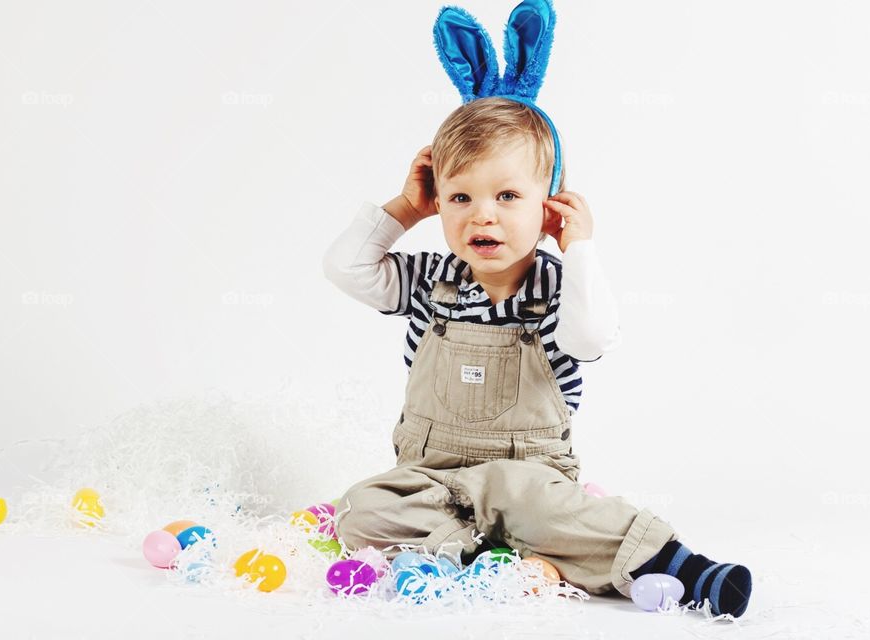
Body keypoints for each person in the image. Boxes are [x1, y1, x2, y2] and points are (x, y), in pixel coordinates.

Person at [321, 96, 752, 617]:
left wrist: (579, 248)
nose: (483, 214)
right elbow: (346, 268)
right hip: (431, 479)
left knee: (541, 503)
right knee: (359, 512)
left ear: (548, 206)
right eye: (459, 197)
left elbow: (592, 336)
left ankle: (679, 564)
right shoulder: (429, 280)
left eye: (507, 195)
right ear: (437, 201)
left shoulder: (557, 288)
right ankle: (498, 555)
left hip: (528, 475)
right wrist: (404, 209)